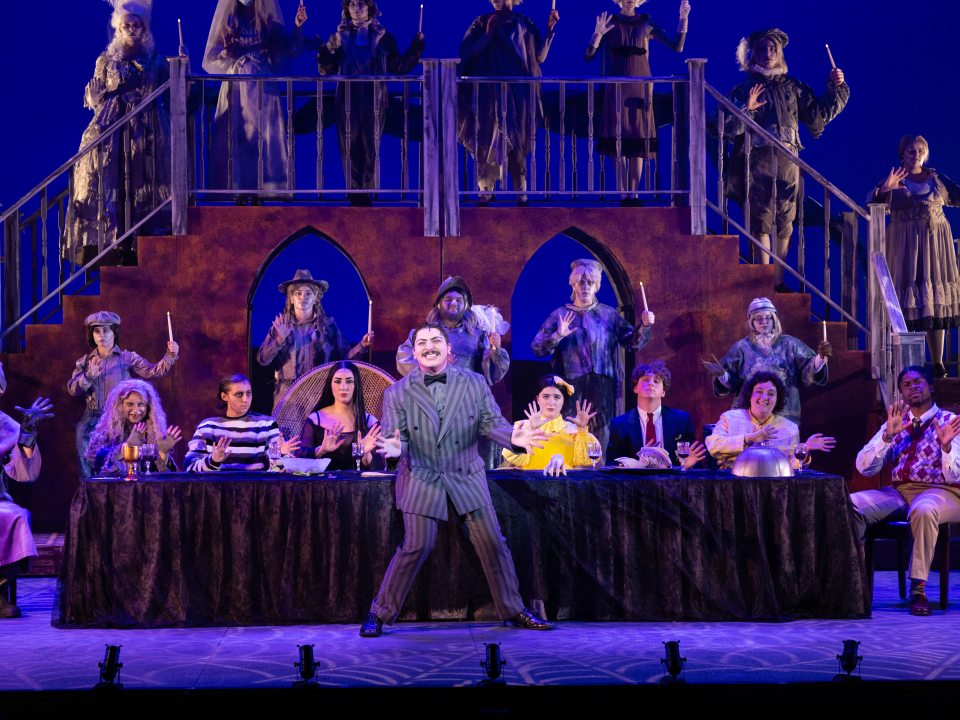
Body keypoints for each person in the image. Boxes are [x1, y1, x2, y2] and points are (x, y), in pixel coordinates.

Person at [360, 323, 551, 637]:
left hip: (465, 474)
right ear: (414, 352)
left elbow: (492, 422)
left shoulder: (474, 383)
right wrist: (395, 450)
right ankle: (379, 613)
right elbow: (397, 437)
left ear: (449, 350)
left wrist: (513, 438)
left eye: (436, 340)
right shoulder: (397, 392)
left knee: (492, 543)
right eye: (422, 342)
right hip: (421, 476)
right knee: (416, 546)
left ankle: (515, 610)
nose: (429, 346)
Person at [721, 28, 849, 290]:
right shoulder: (746, 86)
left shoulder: (793, 87)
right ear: (753, 53)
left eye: (773, 49)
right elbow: (724, 127)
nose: (768, 53)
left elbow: (818, 115)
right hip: (758, 160)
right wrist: (746, 107)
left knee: (785, 219)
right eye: (763, 49)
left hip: (788, 161)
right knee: (761, 219)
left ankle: (777, 281)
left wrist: (836, 87)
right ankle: (764, 279)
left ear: (779, 53)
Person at [63, 0, 170, 265]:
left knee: (142, 181)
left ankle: (139, 241)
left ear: (145, 29)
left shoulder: (156, 61)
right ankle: (111, 244)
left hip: (146, 128)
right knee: (111, 180)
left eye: (137, 25)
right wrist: (94, 96)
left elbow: (171, 92)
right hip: (113, 125)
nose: (132, 30)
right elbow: (96, 97)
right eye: (127, 25)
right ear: (119, 28)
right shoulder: (106, 59)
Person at [852, 365, 960, 616]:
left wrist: (945, 448)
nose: (913, 387)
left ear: (931, 387)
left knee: (923, 508)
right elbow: (864, 467)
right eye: (906, 384)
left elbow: (955, 474)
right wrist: (886, 438)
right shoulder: (897, 423)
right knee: (850, 504)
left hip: (945, 492)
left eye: (918, 381)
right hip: (900, 492)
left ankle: (918, 590)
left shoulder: (950, 422)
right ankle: (851, 582)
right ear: (901, 392)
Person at [531, 258, 654, 450]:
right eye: (581, 282)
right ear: (573, 284)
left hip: (604, 386)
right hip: (571, 386)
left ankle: (601, 472)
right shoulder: (560, 315)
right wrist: (557, 335)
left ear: (597, 286)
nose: (585, 287)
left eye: (590, 283)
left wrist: (644, 326)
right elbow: (537, 348)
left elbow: (632, 342)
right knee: (572, 431)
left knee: (603, 434)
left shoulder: (608, 314)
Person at [317, 0, 425, 201]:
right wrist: (324, 52)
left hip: (374, 98)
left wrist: (416, 48)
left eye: (361, 4)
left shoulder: (383, 37)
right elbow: (326, 68)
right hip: (348, 98)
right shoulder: (338, 37)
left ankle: (366, 193)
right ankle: (353, 193)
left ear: (370, 8)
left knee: (370, 145)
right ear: (347, 10)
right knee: (348, 144)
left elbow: (399, 66)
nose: (357, 8)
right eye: (352, 5)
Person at [871, 135, 960, 378]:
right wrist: (884, 190)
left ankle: (937, 362)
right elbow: (871, 203)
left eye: (921, 149)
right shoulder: (896, 180)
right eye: (911, 150)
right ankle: (912, 364)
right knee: (911, 300)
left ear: (926, 153)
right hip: (907, 248)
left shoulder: (936, 178)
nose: (916, 153)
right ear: (903, 154)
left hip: (935, 247)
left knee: (934, 300)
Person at [585, 0, 690, 201]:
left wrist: (683, 18)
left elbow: (677, 46)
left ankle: (633, 193)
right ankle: (623, 192)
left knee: (637, 138)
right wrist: (597, 35)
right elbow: (589, 55)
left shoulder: (646, 22)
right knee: (616, 139)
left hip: (640, 88)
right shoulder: (611, 22)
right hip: (616, 89)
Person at [457, 0, 560, 202]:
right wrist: (487, 36)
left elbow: (538, 57)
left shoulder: (524, 23)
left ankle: (521, 195)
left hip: (517, 93)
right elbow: (466, 55)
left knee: (517, 142)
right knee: (488, 140)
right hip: (489, 92)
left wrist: (549, 30)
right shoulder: (481, 22)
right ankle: (485, 193)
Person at [202, 0, 308, 193]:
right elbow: (213, 56)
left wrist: (297, 27)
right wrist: (226, 52)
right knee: (237, 132)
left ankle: (264, 188)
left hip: (261, 81)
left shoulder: (266, 18)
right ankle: (236, 188)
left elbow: (286, 51)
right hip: (237, 82)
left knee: (264, 133)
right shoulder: (229, 19)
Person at [68, 311, 179, 480]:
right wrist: (89, 376)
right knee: (88, 469)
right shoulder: (84, 362)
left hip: (118, 420)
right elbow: (72, 389)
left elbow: (153, 371)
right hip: (92, 419)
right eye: (97, 331)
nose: (101, 335)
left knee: (121, 464)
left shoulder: (127, 358)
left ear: (114, 332)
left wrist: (170, 356)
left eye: (106, 330)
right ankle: (89, 502)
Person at [257, 269, 373, 411]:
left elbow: (343, 359)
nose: (302, 297)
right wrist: (279, 340)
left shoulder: (328, 326)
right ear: (291, 298)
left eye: (308, 293)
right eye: (298, 293)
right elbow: (262, 359)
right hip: (287, 395)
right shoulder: (281, 325)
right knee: (284, 432)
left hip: (318, 394)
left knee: (317, 432)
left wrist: (362, 345)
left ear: (315, 297)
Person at [702, 296, 830, 426]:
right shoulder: (741, 348)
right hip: (748, 418)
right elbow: (732, 383)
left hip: (784, 415)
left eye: (767, 317)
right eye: (758, 318)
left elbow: (808, 369)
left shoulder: (791, 344)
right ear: (751, 321)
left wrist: (820, 357)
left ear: (774, 319)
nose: (764, 321)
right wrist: (722, 375)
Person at [705, 371, 834, 470]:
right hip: (732, 482)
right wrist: (749, 438)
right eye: (759, 392)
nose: (765, 397)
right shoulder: (729, 418)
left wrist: (805, 448)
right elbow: (713, 445)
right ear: (750, 395)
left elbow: (790, 468)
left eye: (771, 394)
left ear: (777, 399)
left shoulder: (790, 428)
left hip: (773, 486)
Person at [0, 383, 54, 619]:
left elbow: (24, 472)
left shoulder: (6, 426)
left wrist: (28, 432)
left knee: (13, 516)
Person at [396, 276, 509, 385]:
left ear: (465, 305)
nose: (454, 303)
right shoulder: (421, 335)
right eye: (448, 299)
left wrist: (495, 349)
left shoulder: (479, 336)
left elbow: (492, 375)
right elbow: (404, 361)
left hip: (469, 400)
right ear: (439, 304)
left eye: (459, 300)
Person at [185, 374, 300, 472]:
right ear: (224, 396)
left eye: (248, 393)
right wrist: (213, 461)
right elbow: (190, 468)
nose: (245, 399)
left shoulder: (266, 425)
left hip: (256, 491)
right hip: (217, 492)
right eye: (239, 394)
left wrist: (279, 456)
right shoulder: (208, 428)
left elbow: (277, 471)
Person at [606, 360, 706, 469]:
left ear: (663, 391)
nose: (651, 384)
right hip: (634, 484)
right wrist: (638, 464)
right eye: (645, 380)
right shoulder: (619, 424)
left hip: (672, 484)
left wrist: (684, 466)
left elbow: (694, 462)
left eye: (657, 381)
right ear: (635, 388)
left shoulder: (681, 420)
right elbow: (611, 464)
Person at [500, 375, 600, 475]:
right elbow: (515, 461)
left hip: (566, 486)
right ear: (538, 399)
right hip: (528, 486)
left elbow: (588, 464)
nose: (551, 402)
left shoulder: (574, 431)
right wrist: (530, 430)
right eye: (546, 396)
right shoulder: (522, 427)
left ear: (563, 400)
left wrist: (582, 430)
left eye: (557, 397)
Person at [298, 360, 383, 470]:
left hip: (358, 485)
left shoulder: (370, 422)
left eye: (349, 381)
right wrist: (321, 450)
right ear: (330, 385)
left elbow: (380, 469)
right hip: (322, 485)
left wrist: (365, 453)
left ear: (356, 385)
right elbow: (299, 458)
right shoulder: (315, 419)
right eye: (337, 381)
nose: (343, 387)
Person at [85, 379, 182, 475]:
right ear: (120, 405)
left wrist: (163, 453)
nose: (136, 411)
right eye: (130, 404)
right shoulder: (108, 430)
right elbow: (100, 466)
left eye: (141, 405)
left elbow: (161, 478)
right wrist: (127, 447)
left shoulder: (154, 431)